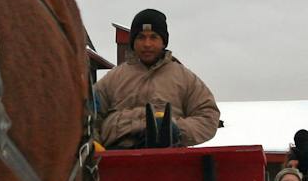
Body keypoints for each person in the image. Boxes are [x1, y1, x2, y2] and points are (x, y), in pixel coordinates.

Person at [94, 8, 220, 149]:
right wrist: (94, 143)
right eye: (141, 37)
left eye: (153, 37)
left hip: (170, 158)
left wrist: (177, 129)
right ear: (133, 42)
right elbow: (87, 116)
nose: (147, 44)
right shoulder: (113, 78)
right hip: (116, 156)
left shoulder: (184, 78)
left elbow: (208, 116)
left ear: (164, 42)